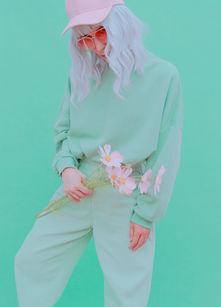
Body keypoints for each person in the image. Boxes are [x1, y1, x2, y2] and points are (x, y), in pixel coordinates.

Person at [14, 0, 184, 306]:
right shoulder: (82, 76)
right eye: (83, 38)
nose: (93, 45)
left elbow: (166, 150)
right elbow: (63, 130)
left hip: (126, 194)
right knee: (31, 261)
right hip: (78, 188)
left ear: (122, 25)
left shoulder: (164, 76)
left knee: (126, 290)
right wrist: (66, 169)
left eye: (100, 32)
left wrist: (146, 214)